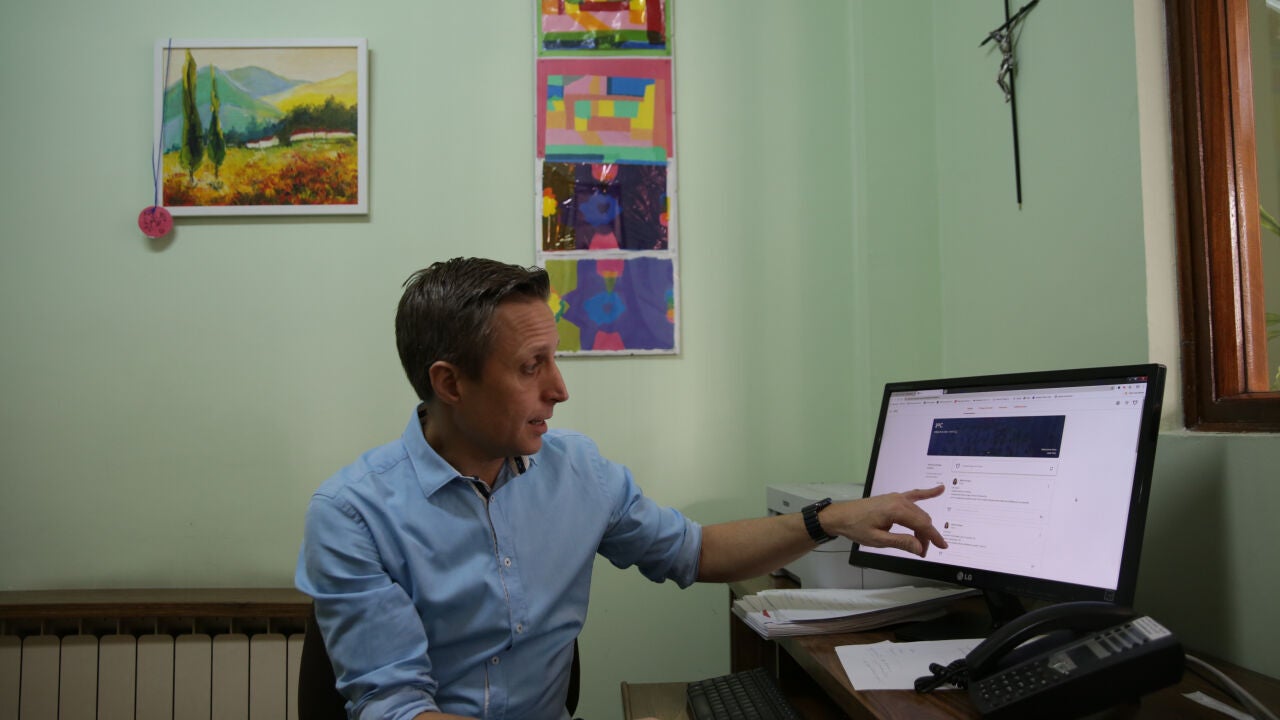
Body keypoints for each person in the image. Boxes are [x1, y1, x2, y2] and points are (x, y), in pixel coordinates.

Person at [295, 257, 948, 720]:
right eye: (531, 367)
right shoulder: (353, 514)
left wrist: (828, 520)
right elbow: (397, 708)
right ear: (450, 383)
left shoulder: (577, 469)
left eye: (555, 358)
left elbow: (696, 551)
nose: (560, 389)